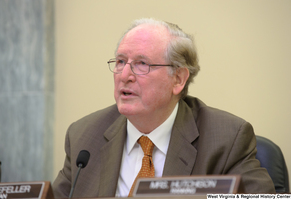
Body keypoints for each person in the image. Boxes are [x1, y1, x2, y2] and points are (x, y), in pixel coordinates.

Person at [52, 18, 275, 198]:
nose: (125, 76)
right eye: (120, 61)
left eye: (142, 64)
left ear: (178, 79)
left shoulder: (227, 139)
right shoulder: (84, 137)